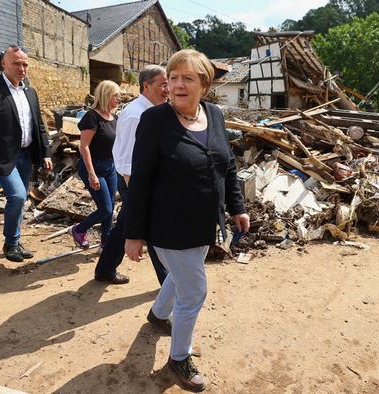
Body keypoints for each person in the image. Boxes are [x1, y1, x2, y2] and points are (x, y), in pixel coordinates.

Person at [124, 49, 250, 392]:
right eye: (173, 78)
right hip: (168, 225)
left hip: (203, 223)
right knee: (194, 288)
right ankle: (179, 357)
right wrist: (133, 233)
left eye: (187, 78)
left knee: (181, 276)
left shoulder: (214, 115)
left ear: (204, 85)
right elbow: (141, 180)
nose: (177, 85)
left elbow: (228, 167)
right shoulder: (154, 121)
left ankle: (158, 314)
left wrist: (238, 206)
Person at [0, 45, 52, 262]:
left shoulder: (30, 92)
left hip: (26, 155)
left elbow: (39, 125)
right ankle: (11, 243)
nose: (21, 68)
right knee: (17, 196)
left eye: (25, 64)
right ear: (4, 63)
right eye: (16, 63)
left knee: (20, 199)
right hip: (3, 157)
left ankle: (14, 241)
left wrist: (46, 153)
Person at [95, 65, 169, 286]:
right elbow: (126, 158)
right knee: (151, 227)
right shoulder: (136, 115)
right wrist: (137, 192)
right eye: (162, 85)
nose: (167, 90)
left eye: (168, 84)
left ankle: (105, 268)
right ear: (146, 86)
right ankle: (167, 283)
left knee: (127, 225)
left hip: (144, 182)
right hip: (134, 182)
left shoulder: (153, 111)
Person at [69, 80, 124, 283]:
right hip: (94, 167)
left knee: (110, 208)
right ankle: (79, 229)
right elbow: (84, 147)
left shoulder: (114, 118)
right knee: (106, 209)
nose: (118, 99)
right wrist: (91, 174)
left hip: (110, 167)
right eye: (115, 95)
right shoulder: (91, 117)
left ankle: (105, 243)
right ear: (105, 95)